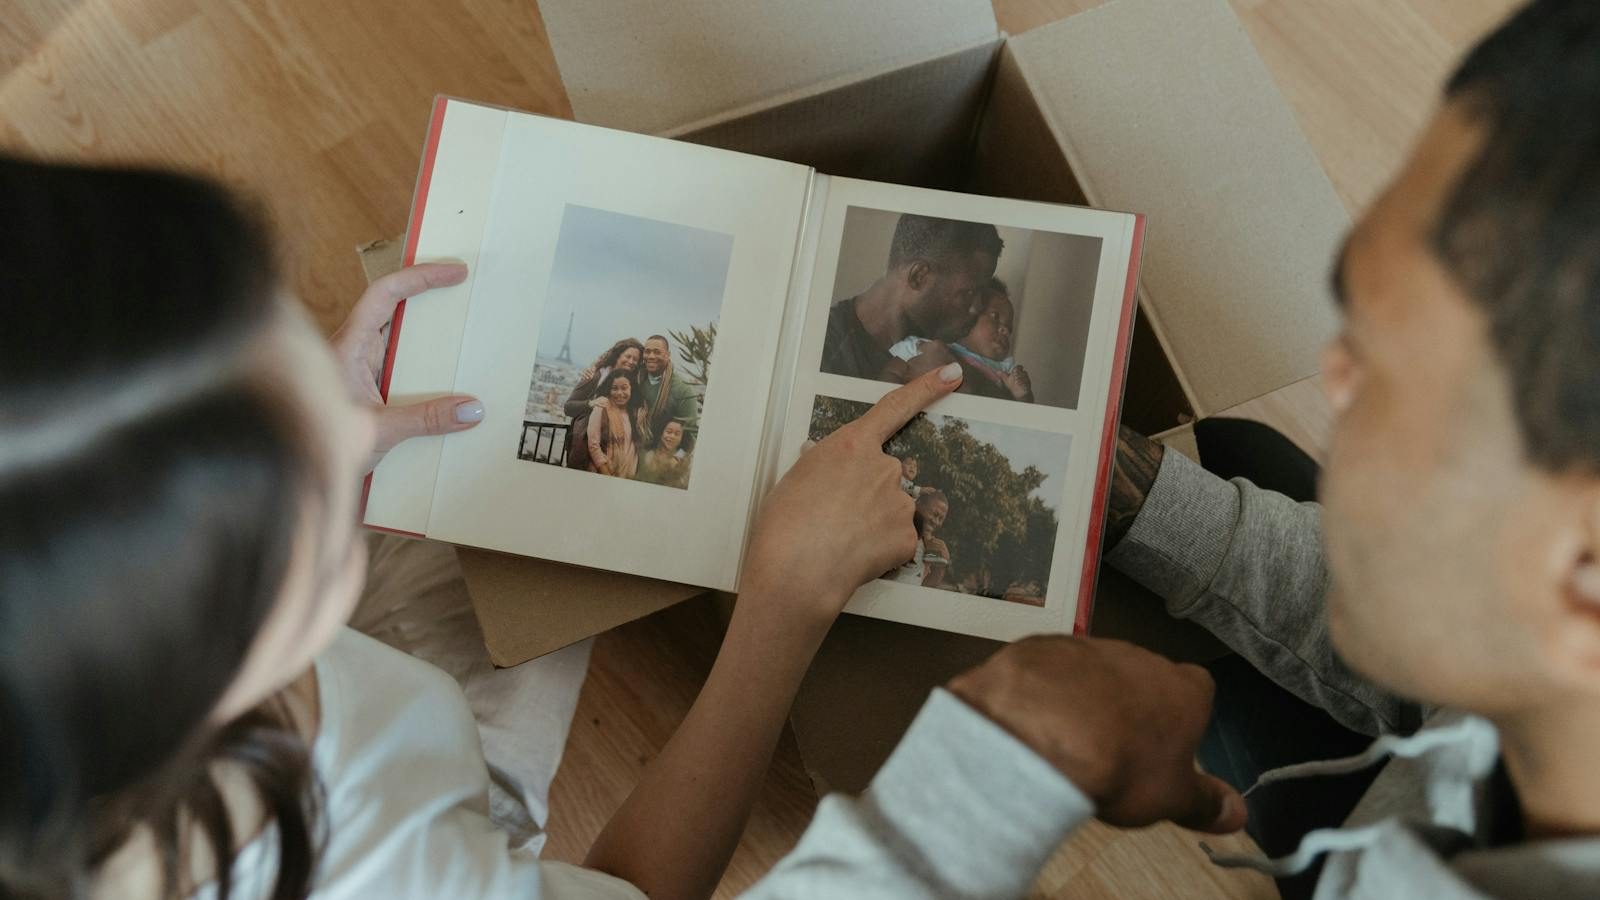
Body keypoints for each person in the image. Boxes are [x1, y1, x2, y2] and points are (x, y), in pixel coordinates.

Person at [821, 213, 1003, 381]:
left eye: (983, 292)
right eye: (968, 293)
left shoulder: (947, 349)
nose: (979, 307)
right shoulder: (824, 354)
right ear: (919, 277)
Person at [890, 278, 1035, 402]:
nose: (1004, 330)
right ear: (969, 315)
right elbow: (891, 371)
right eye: (995, 317)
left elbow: (1023, 413)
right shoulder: (929, 347)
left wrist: (1022, 394)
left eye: (1008, 328)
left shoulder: (1005, 370)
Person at [563, 338, 643, 471]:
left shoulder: (632, 382)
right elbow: (568, 407)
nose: (631, 362)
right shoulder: (596, 376)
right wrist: (591, 403)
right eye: (628, 356)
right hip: (588, 446)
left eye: (635, 359)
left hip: (615, 450)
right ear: (618, 355)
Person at [634, 334, 699, 449]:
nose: (651, 356)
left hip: (661, 457)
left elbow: (691, 433)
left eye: (657, 352)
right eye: (647, 351)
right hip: (631, 451)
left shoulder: (683, 389)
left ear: (668, 355)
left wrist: (677, 460)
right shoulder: (634, 381)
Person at [585, 369, 642, 479]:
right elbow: (593, 445)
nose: (620, 393)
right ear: (608, 390)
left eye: (624, 388)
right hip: (604, 473)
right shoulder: (601, 408)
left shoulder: (635, 413)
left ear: (631, 389)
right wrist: (606, 474)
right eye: (614, 388)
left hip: (628, 474)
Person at [633, 419, 691, 489]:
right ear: (661, 433)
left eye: (677, 434)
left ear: (682, 438)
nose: (672, 436)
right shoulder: (649, 455)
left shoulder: (682, 456)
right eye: (669, 432)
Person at [915, 488, 951, 589]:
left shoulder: (931, 546)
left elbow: (925, 587)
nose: (935, 522)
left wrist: (941, 565)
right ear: (919, 504)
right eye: (934, 514)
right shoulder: (898, 529)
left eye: (941, 519)